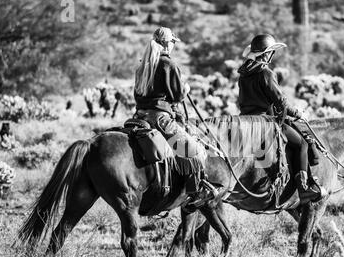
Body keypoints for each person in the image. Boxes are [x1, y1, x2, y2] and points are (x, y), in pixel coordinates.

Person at [237, 34, 325, 201]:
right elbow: (281, 103)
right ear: (265, 54)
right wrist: (298, 113)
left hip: (246, 121)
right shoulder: (266, 73)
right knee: (302, 144)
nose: (272, 56)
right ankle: (303, 188)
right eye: (271, 52)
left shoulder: (243, 74)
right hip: (265, 122)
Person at [133, 27, 217, 202]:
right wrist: (185, 89)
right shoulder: (168, 64)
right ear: (167, 44)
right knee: (195, 152)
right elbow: (177, 96)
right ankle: (195, 193)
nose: (173, 45)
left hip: (139, 117)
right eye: (172, 42)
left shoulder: (143, 65)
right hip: (160, 119)